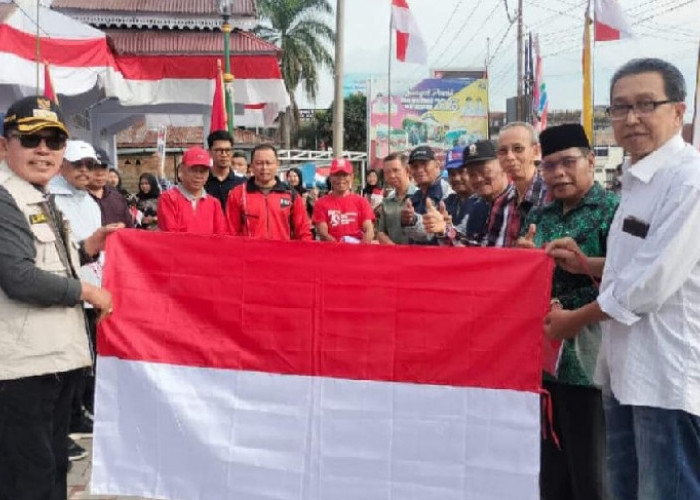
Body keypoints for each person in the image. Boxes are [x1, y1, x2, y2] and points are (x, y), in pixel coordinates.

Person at [544, 58, 700, 500]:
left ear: (678, 111)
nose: (631, 118)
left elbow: (649, 285)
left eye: (646, 104)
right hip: (623, 370)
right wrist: (587, 266)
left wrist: (573, 321)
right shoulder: (636, 180)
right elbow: (629, 267)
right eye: (619, 108)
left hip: (666, 377)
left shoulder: (689, 181)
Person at [0, 96, 116, 500]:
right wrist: (86, 289)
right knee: (28, 478)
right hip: (21, 370)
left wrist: (89, 247)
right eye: (31, 139)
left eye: (53, 140)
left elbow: (50, 261)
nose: (44, 149)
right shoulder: (4, 198)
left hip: (55, 360)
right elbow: (19, 276)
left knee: (52, 471)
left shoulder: (39, 194)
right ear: (4, 145)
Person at [516, 124, 618, 500]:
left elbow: (634, 274)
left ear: (591, 161)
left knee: (591, 470)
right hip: (545, 359)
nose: (558, 173)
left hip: (592, 358)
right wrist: (523, 261)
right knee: (551, 469)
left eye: (568, 163)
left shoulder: (614, 211)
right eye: (549, 166)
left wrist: (584, 264)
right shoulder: (542, 218)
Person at [426, 140, 511, 246]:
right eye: (472, 174)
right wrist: (444, 230)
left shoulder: (517, 203)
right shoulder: (479, 206)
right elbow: (476, 250)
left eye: (484, 170)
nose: (478, 179)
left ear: (503, 166)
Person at [226, 144, 311, 240]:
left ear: (277, 164)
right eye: (259, 163)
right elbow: (231, 233)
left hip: (282, 253)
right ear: (252, 166)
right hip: (249, 253)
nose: (264, 167)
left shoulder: (291, 195)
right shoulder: (237, 194)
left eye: (269, 163)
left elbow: (303, 232)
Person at [492, 121, 548, 246]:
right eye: (503, 151)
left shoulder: (551, 199)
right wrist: (446, 230)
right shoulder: (502, 202)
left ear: (536, 151)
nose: (510, 156)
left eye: (518, 149)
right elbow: (488, 251)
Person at [158, 147, 227, 235]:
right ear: (182, 170)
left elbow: (220, 237)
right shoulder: (168, 198)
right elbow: (171, 237)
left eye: (203, 171)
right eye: (194, 170)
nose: (198, 175)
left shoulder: (214, 204)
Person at [313, 158, 375, 243]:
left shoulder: (362, 202)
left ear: (352, 177)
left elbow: (369, 230)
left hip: (357, 252)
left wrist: (361, 248)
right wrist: (339, 248)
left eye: (345, 175)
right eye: (337, 175)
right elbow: (323, 232)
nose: (341, 178)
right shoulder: (321, 203)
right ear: (330, 177)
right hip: (332, 252)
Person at [400, 146, 453, 245]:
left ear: (437, 165)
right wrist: (407, 221)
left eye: (424, 164)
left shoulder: (448, 193)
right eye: (415, 166)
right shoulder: (414, 197)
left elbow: (431, 233)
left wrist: (413, 221)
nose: (420, 170)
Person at [441, 146, 490, 239]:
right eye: (452, 174)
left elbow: (468, 240)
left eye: (461, 172)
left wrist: (445, 229)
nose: (456, 178)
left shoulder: (485, 202)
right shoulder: (447, 202)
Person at [376, 153, 416, 245]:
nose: (391, 175)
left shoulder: (420, 196)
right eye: (387, 172)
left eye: (395, 170)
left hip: (417, 256)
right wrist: (395, 249)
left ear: (407, 170)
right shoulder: (387, 200)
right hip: (393, 256)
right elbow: (381, 232)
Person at [88, 147, 134, 228]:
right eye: (94, 167)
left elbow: (130, 229)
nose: (100, 173)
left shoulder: (117, 197)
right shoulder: (75, 200)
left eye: (103, 167)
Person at [205, 130, 245, 211]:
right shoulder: (202, 182)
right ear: (209, 152)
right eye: (219, 150)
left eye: (227, 150)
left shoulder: (243, 183)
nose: (224, 154)